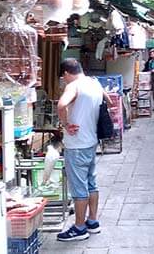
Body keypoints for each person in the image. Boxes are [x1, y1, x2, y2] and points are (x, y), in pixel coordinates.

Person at [56, 59, 111, 242]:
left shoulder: (73, 86)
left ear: (66, 73)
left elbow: (61, 105)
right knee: (91, 183)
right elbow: (109, 100)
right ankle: (93, 222)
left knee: (79, 189)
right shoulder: (94, 82)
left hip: (76, 144)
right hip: (91, 141)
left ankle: (79, 228)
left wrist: (66, 124)